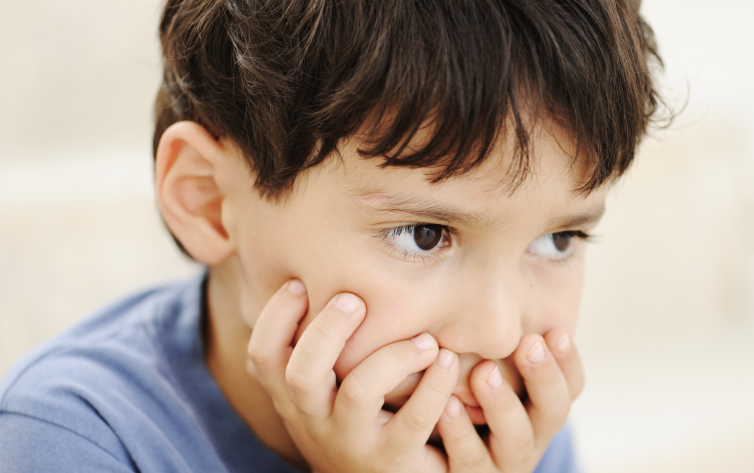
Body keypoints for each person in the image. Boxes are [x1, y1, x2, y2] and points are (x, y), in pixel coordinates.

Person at [0, 0, 668, 471]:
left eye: (558, 241)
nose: (498, 333)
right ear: (208, 201)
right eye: (424, 233)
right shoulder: (71, 439)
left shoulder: (497, 427)